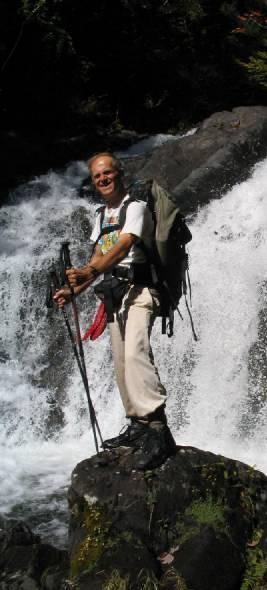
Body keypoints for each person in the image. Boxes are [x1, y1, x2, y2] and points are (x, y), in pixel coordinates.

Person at [54, 152, 174, 456]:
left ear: (119, 174)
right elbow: (99, 257)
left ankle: (159, 430)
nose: (103, 179)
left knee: (136, 353)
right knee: (121, 363)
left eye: (107, 173)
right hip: (114, 293)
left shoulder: (136, 208)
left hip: (142, 288)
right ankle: (137, 424)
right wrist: (74, 291)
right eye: (97, 176)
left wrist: (90, 271)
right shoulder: (100, 215)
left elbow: (122, 248)